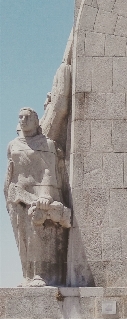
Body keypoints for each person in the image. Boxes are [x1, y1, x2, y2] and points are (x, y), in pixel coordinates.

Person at [4, 108, 71, 286]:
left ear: (36, 121)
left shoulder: (46, 143)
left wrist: (46, 195)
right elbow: (11, 172)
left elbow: (48, 169)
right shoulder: (12, 145)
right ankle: (27, 275)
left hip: (40, 196)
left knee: (39, 235)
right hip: (18, 196)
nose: (23, 120)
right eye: (20, 117)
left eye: (28, 117)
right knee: (23, 237)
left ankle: (42, 275)